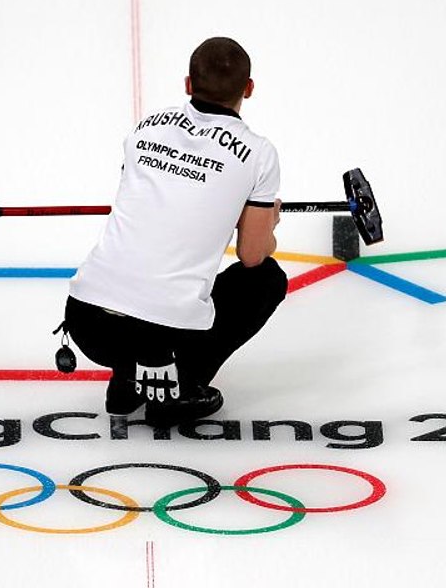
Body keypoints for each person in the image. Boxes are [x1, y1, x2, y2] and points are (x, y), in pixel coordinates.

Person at [62, 37, 288, 428]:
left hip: (88, 320)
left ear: (187, 84)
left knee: (142, 283)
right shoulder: (258, 155)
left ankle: (129, 377)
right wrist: (267, 223)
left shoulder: (146, 126)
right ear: (248, 89)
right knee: (265, 279)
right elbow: (253, 254)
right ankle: (177, 387)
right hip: (165, 334)